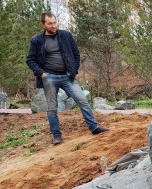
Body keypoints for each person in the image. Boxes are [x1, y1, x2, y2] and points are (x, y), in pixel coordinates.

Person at [26, 12, 108, 145]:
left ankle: (94, 127)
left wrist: (73, 70)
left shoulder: (66, 35)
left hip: (67, 76)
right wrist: (41, 73)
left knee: (83, 100)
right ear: (43, 25)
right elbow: (30, 60)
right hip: (49, 77)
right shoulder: (37, 40)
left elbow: (76, 54)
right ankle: (56, 135)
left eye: (55, 22)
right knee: (52, 108)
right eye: (50, 23)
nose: (54, 26)